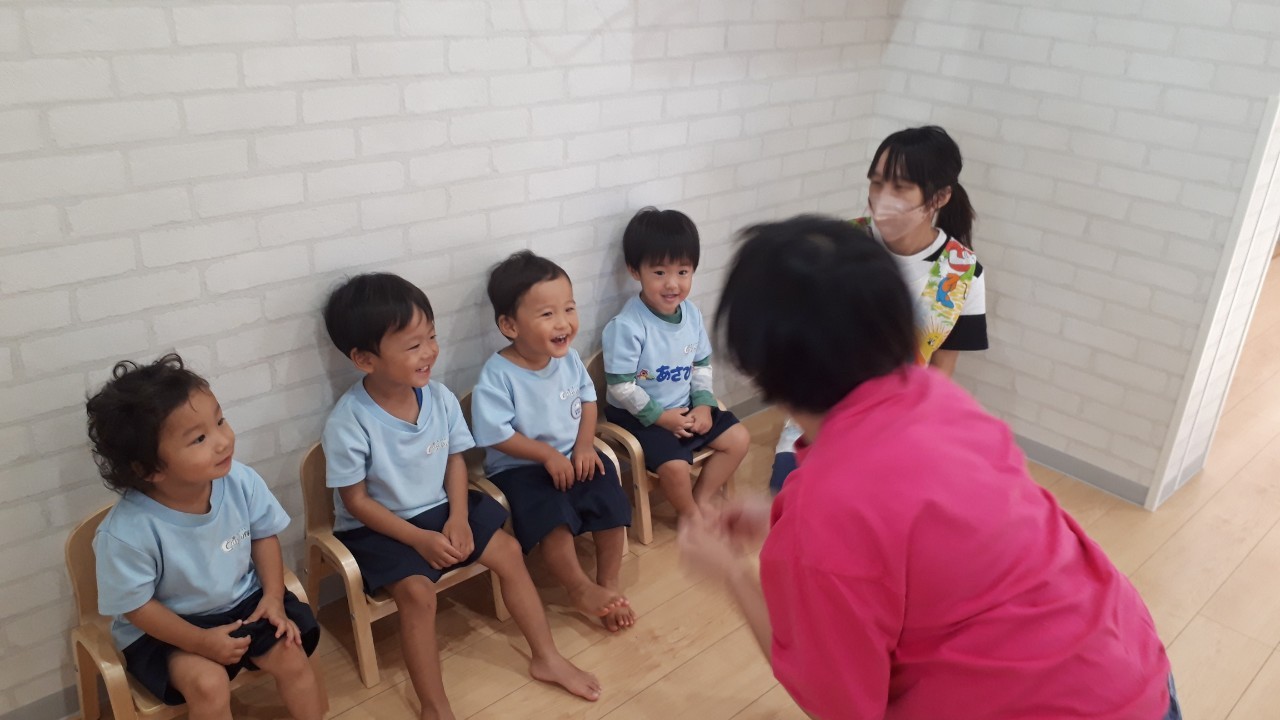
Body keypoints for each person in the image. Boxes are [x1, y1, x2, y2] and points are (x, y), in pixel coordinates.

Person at [680, 217, 1178, 720]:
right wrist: (779, 516)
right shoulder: (937, 397)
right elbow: (924, 535)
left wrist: (733, 574)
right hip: (1134, 667)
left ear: (763, 371)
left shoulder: (827, 510)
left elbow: (840, 705)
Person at [320, 273, 602, 720]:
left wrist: (456, 516)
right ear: (364, 359)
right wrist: (418, 539)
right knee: (418, 595)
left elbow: (455, 461)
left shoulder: (440, 397)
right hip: (380, 527)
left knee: (509, 551)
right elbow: (356, 502)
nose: (429, 351)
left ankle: (546, 656)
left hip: (441, 508)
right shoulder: (349, 421)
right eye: (413, 345)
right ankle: (435, 706)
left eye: (431, 337)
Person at [86, 354, 325, 720]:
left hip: (244, 603)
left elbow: (263, 535)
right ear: (149, 469)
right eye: (199, 438)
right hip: (169, 628)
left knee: (292, 654)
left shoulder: (239, 480)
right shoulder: (127, 532)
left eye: (220, 421)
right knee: (208, 685)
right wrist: (199, 641)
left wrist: (274, 597)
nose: (223, 441)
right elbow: (137, 607)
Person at [770, 125, 987, 492]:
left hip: (891, 431)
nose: (883, 199)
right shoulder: (839, 245)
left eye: (900, 187)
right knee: (791, 499)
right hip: (816, 420)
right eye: (876, 183)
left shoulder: (961, 273)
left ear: (940, 197)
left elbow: (940, 372)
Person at [470, 251, 635, 632]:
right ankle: (578, 588)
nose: (563, 323)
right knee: (553, 518)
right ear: (510, 325)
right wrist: (546, 454)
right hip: (520, 468)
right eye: (547, 314)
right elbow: (494, 433)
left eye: (569, 309)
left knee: (609, 493)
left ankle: (608, 583)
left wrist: (583, 445)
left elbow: (589, 401)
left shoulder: (569, 359)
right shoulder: (498, 374)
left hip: (573, 456)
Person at [601, 207, 750, 523]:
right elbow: (620, 386)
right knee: (675, 467)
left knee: (739, 439)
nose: (672, 284)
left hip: (685, 406)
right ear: (634, 270)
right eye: (659, 273)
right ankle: (689, 515)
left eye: (682, 272)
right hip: (639, 415)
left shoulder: (691, 314)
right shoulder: (627, 326)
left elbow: (701, 364)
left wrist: (704, 405)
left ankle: (702, 498)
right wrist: (661, 417)